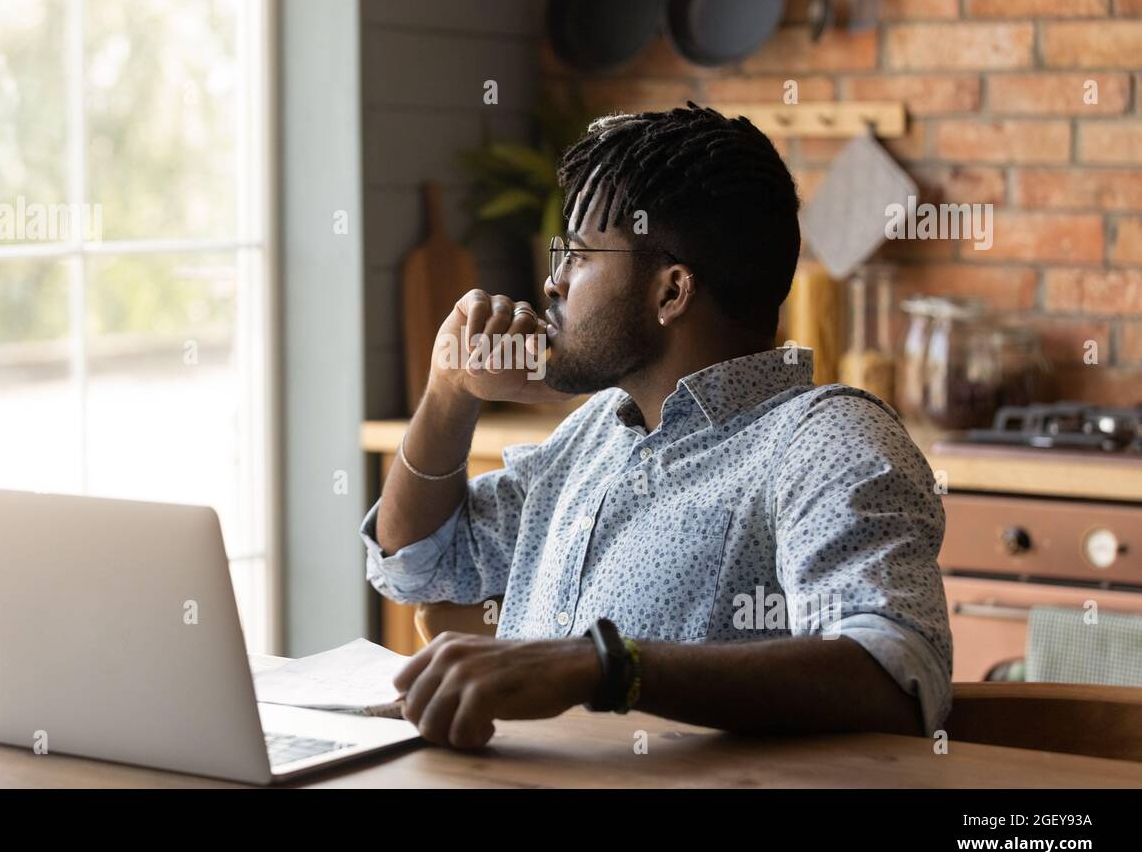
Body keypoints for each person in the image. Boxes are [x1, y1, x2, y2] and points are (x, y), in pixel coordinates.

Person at [360, 102, 951, 750]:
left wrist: (608, 666)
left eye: (580, 257)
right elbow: (416, 565)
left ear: (671, 292)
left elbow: (894, 680)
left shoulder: (825, 441)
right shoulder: (595, 432)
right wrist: (451, 393)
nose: (552, 283)